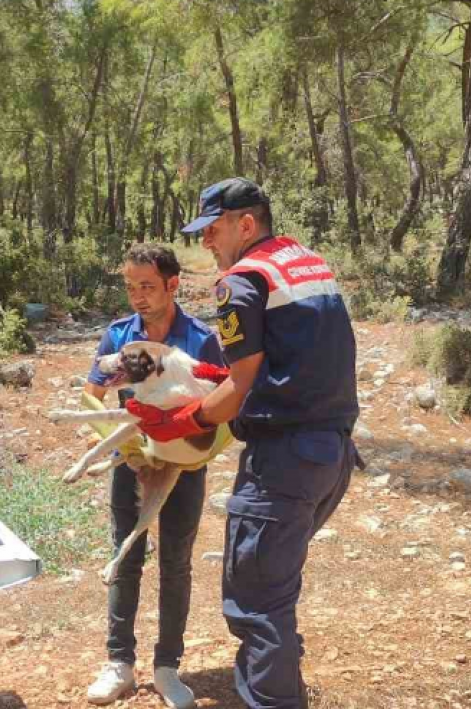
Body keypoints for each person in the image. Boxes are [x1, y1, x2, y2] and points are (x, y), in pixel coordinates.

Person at [124, 178, 362, 709]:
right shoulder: (306, 263)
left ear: (245, 225)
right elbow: (292, 356)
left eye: (212, 230)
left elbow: (239, 387)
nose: (206, 242)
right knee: (276, 587)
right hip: (333, 452)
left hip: (283, 460)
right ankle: (281, 682)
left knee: (254, 599)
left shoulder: (242, 280)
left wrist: (181, 420)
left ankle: (274, 697)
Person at [81, 243, 225, 709]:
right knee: (125, 555)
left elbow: (225, 399)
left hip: (185, 466)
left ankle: (168, 668)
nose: (137, 296)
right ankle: (119, 664)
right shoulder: (119, 335)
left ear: (172, 284)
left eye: (147, 286)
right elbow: (94, 393)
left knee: (176, 563)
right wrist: (118, 440)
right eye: (130, 287)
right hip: (133, 461)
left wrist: (201, 449)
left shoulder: (201, 338)